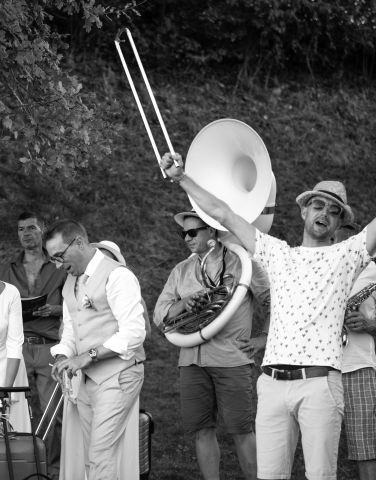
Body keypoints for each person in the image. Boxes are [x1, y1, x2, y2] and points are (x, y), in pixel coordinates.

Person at [161, 151, 376, 480]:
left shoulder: (347, 255)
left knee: (320, 475)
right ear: (304, 210)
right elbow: (223, 214)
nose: (325, 214)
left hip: (319, 384)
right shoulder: (277, 252)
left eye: (335, 212)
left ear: (339, 224)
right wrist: (181, 178)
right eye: (318, 205)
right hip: (271, 385)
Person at [153, 210, 270, 480]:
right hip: (191, 361)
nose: (187, 238)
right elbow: (160, 314)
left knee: (241, 430)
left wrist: (263, 338)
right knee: (201, 430)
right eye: (183, 233)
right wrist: (184, 304)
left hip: (232, 358)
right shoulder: (181, 270)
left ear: (212, 232)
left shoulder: (242, 263)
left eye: (193, 232)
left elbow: (272, 301)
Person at [47, 220, 146, 480]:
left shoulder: (118, 275)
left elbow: (134, 332)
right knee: (94, 455)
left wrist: (86, 357)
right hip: (89, 380)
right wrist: (62, 357)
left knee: (100, 452)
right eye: (53, 259)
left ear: (79, 242)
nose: (58, 265)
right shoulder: (70, 282)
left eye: (60, 255)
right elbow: (71, 329)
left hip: (120, 374)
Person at [0, 212, 67, 480]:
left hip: (49, 345)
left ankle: (53, 470)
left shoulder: (59, 266)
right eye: (20, 229)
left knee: (53, 412)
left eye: (31, 228)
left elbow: (74, 303)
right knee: (15, 409)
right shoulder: (7, 269)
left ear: (42, 231)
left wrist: (55, 309)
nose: (26, 234)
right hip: (17, 347)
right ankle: (20, 468)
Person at [335, 222, 376, 480]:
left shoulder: (373, 271)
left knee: (365, 448)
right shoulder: (318, 267)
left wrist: (370, 324)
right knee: (318, 446)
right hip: (319, 367)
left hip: (357, 367)